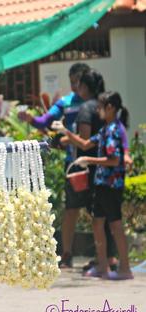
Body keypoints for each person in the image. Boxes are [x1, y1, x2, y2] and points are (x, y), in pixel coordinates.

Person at [53, 91, 133, 280]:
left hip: (111, 185)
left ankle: (125, 269)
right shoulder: (106, 128)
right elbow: (86, 143)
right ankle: (103, 267)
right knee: (97, 223)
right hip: (101, 184)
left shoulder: (114, 129)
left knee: (115, 225)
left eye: (100, 107)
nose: (97, 111)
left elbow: (114, 160)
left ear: (110, 108)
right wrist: (66, 132)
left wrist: (88, 160)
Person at [19, 63, 90, 268]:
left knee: (99, 212)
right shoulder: (66, 102)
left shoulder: (95, 102)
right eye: (72, 81)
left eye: (79, 81)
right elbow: (45, 121)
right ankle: (66, 254)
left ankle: (104, 256)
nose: (75, 85)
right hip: (73, 163)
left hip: (96, 160)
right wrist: (31, 119)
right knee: (71, 209)